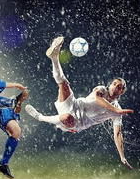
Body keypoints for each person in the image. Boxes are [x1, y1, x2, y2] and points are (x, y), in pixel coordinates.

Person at [25, 36, 134, 169]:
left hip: (77, 123)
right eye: (114, 83)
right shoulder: (101, 89)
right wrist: (116, 110)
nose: (115, 86)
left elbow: (118, 134)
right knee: (63, 83)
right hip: (75, 104)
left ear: (122, 91)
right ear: (110, 85)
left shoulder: (118, 111)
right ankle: (54, 57)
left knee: (66, 117)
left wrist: (122, 156)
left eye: (119, 86)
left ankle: (40, 117)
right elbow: (99, 100)